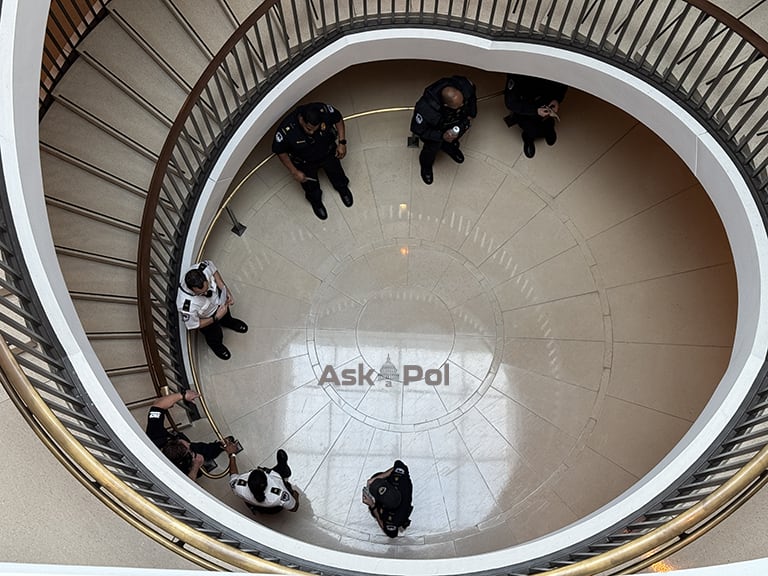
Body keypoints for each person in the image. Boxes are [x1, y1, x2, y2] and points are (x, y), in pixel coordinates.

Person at [272, 102, 353, 220]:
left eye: (315, 129)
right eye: (308, 129)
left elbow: (338, 118)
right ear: (301, 119)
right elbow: (280, 151)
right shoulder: (287, 130)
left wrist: (342, 142)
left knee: (337, 172)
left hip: (327, 152)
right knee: (310, 185)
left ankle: (342, 188)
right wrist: (294, 171)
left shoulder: (323, 111)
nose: (311, 132)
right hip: (305, 162)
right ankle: (316, 202)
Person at [146, 389, 239, 480]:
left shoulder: (154, 437)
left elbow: (157, 405)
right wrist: (195, 466)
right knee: (199, 466)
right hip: (187, 468)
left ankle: (219, 446)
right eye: (189, 448)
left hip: (184, 455)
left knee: (202, 448)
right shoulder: (169, 474)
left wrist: (182, 395)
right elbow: (187, 483)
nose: (189, 444)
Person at [410, 75, 477, 185]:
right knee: (430, 150)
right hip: (436, 131)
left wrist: (472, 113)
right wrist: (441, 136)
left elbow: (472, 96)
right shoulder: (425, 108)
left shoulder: (464, 85)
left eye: (462, 101)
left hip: (455, 121)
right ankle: (426, 166)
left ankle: (449, 146)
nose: (462, 104)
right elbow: (418, 131)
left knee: (454, 137)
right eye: (458, 105)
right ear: (446, 104)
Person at [176, 259, 247, 361]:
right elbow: (195, 325)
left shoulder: (204, 267)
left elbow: (216, 275)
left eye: (207, 288)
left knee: (227, 316)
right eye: (201, 294)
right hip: (208, 319)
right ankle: (217, 346)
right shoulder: (186, 305)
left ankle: (229, 322)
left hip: (218, 303)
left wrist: (226, 292)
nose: (206, 294)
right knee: (214, 335)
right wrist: (216, 317)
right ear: (192, 289)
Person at [503, 73, 568, 159]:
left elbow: (563, 82)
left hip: (547, 96)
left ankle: (548, 127)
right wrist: (535, 110)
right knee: (530, 129)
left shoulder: (552, 67)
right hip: (526, 105)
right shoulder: (518, 73)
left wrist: (557, 99)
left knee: (547, 120)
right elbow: (511, 103)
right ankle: (528, 138)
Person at [229, 449, 300, 514]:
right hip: (274, 508)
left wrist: (232, 454)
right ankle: (284, 470)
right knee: (281, 471)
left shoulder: (238, 487)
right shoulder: (280, 494)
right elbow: (294, 508)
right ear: (266, 483)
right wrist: (295, 495)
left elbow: (233, 473)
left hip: (261, 508)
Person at [362, 459, 413, 538]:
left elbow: (391, 534)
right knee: (376, 476)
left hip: (398, 514)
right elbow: (400, 465)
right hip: (401, 494)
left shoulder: (393, 519)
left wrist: (372, 506)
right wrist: (375, 479)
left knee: (375, 513)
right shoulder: (402, 481)